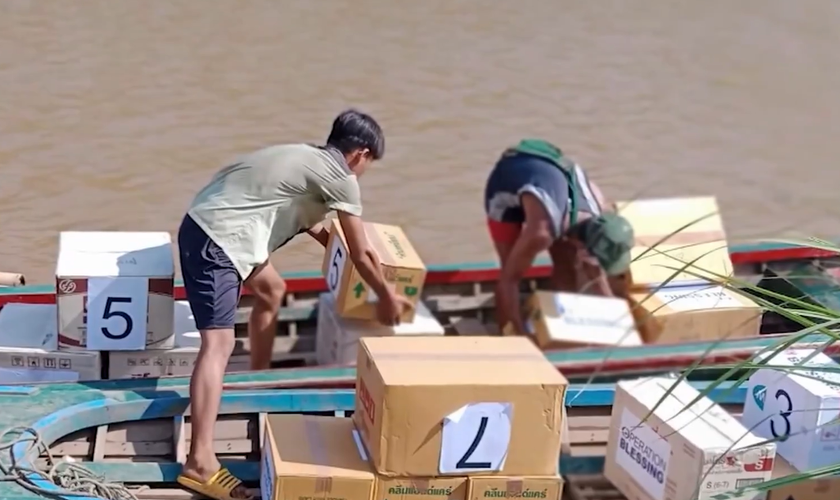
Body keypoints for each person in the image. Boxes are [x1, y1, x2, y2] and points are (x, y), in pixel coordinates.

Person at [175, 109, 412, 500]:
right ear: (360, 155)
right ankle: (200, 462)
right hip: (218, 241)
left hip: (215, 226)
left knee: (272, 290)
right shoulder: (342, 178)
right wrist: (386, 296)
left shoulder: (305, 156)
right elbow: (364, 255)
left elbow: (298, 213)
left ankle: (258, 376)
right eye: (369, 165)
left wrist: (329, 242)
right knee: (218, 345)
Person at [483, 138, 635, 335]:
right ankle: (509, 336)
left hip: (551, 185)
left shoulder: (600, 208)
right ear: (583, 248)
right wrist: (521, 340)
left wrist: (617, 314)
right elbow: (508, 282)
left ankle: (561, 330)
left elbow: (595, 269)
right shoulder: (542, 233)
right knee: (510, 273)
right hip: (508, 180)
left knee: (566, 264)